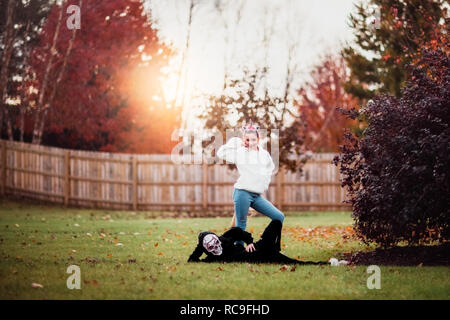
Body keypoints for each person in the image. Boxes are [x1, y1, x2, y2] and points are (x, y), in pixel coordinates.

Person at [216, 121, 285, 246]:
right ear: (244, 139)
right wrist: (237, 142)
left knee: (279, 217)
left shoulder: (264, 154)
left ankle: (267, 245)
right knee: (241, 226)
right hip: (242, 193)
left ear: (258, 139)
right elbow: (220, 153)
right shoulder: (240, 152)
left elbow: (271, 168)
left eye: (253, 139)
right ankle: (238, 252)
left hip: (256, 196)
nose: (251, 142)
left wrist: (263, 185)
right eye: (247, 139)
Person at [187, 220, 328, 265]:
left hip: (258, 248)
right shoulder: (211, 259)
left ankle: (276, 247)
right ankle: (329, 264)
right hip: (262, 255)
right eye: (210, 247)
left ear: (217, 238)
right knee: (296, 263)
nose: (216, 246)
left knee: (277, 221)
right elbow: (192, 259)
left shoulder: (225, 238)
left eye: (215, 242)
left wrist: (249, 242)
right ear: (206, 249)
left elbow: (239, 232)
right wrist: (200, 246)